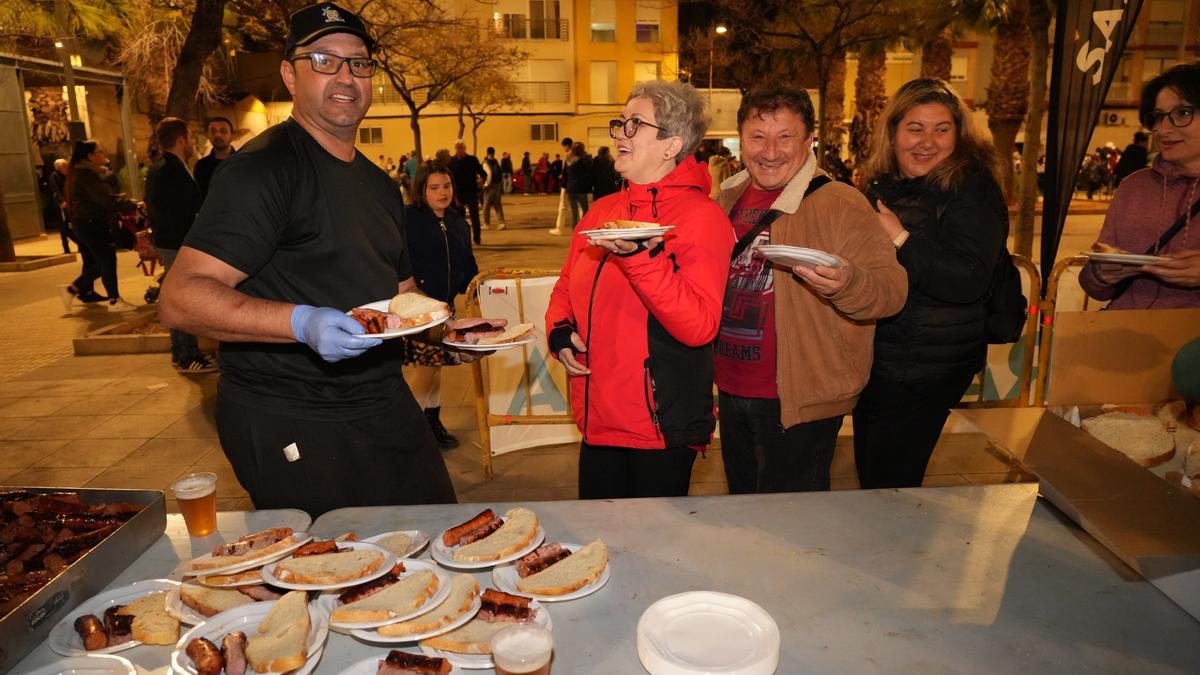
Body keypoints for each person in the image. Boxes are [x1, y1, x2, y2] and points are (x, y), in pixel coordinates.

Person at [158, 1, 458, 516]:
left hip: (382, 400)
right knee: (340, 575)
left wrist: (454, 333)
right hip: (292, 414)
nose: (345, 76)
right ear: (289, 75)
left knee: (430, 536)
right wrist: (301, 322)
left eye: (358, 62)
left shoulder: (380, 187)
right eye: (323, 60)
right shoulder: (262, 171)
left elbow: (403, 297)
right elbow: (181, 298)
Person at [714, 85, 908, 494]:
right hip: (731, 390)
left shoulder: (839, 202)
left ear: (809, 140)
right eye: (757, 136)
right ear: (741, 139)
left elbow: (892, 289)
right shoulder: (726, 197)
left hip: (800, 399)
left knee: (792, 532)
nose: (770, 151)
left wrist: (847, 283)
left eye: (785, 137)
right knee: (741, 516)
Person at [546, 80, 733, 500]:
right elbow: (565, 285)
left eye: (635, 124)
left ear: (672, 145)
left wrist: (640, 260)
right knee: (598, 547)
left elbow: (700, 326)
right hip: (597, 417)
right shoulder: (603, 210)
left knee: (653, 555)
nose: (620, 134)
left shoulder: (701, 217)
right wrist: (559, 332)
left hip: (658, 425)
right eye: (621, 123)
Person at [855, 77, 1010, 489]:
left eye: (941, 129)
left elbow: (968, 280)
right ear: (893, 133)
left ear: (958, 135)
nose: (927, 141)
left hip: (930, 363)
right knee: (874, 472)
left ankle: (895, 549)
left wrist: (900, 237)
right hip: (882, 357)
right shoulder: (881, 183)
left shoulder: (971, 188)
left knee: (892, 480)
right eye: (915, 128)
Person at [1080, 64, 1200, 309]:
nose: (1163, 130)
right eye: (1157, 117)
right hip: (1127, 334)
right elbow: (1092, 285)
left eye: (1183, 113)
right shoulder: (1134, 187)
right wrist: (1102, 275)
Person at [403, 163, 479, 448]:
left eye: (446, 186)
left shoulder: (458, 221)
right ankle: (408, 431)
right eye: (434, 187)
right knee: (424, 369)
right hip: (418, 308)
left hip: (445, 308)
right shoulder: (409, 219)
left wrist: (479, 286)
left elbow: (469, 264)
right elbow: (397, 260)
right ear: (422, 190)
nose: (442, 192)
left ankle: (432, 423)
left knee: (435, 369)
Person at [145, 117, 216, 374]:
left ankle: (184, 352)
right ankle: (187, 354)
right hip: (177, 242)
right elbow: (177, 211)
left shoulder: (162, 166)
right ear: (181, 139)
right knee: (183, 299)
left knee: (178, 296)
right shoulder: (170, 169)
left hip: (171, 241)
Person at [60, 139, 137, 312]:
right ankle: (114, 301)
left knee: (103, 261)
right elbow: (102, 200)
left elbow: (101, 197)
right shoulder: (86, 175)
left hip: (89, 222)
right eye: (100, 151)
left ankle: (73, 289)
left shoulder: (88, 173)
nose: (104, 154)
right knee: (107, 260)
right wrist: (127, 204)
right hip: (91, 223)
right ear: (90, 156)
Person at [448, 140, 486, 245]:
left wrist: (481, 182)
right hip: (458, 194)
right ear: (455, 149)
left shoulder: (472, 160)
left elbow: (483, 173)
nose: (460, 150)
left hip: (471, 192)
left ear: (465, 148)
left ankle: (477, 238)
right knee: (460, 219)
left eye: (461, 147)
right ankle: (462, 239)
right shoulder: (451, 162)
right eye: (458, 147)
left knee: (475, 217)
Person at [194, 117, 236, 200]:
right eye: (213, 131)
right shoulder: (202, 166)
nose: (217, 135)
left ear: (232, 136)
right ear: (208, 136)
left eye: (223, 131)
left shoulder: (241, 162)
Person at [563, 141, 592, 229]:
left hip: (570, 188)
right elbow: (589, 172)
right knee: (585, 209)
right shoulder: (584, 160)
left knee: (574, 210)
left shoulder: (568, 161)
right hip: (581, 188)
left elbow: (565, 174)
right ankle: (584, 226)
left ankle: (574, 227)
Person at [50, 158, 75, 254]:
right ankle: (66, 247)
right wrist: (61, 202)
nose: (67, 166)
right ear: (59, 167)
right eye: (65, 165)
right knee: (64, 226)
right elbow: (55, 191)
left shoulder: (67, 175)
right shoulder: (54, 176)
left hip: (69, 202)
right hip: (62, 205)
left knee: (70, 224)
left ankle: (79, 243)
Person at [482, 146, 506, 230]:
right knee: (498, 205)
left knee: (486, 206)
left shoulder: (485, 162)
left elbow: (489, 173)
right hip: (497, 186)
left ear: (487, 153)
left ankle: (486, 224)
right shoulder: (496, 162)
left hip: (490, 187)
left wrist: (485, 185)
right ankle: (501, 223)